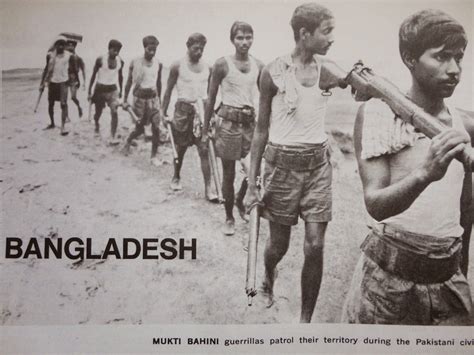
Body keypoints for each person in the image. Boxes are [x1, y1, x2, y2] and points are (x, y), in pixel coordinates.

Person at [342, 9, 474, 325]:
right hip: (387, 283)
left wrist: (461, 275)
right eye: (441, 57)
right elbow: (375, 204)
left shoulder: (464, 125)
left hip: (448, 279)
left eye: (459, 58)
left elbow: (465, 214)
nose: (454, 69)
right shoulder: (377, 115)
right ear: (409, 58)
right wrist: (425, 173)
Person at [245, 3, 337, 323]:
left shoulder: (328, 69)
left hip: (317, 167)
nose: (332, 38)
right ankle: (268, 275)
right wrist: (251, 184)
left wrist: (363, 83)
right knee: (278, 246)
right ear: (304, 33)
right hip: (281, 167)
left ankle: (305, 323)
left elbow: (358, 85)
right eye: (327, 31)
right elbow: (260, 130)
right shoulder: (272, 72)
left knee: (315, 246)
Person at [201, 21, 264, 235]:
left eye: (248, 37)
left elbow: (265, 99)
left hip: (249, 124)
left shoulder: (259, 66)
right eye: (240, 37)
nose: (244, 42)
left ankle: (239, 198)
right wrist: (204, 129)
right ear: (232, 40)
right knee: (228, 174)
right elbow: (210, 98)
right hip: (227, 124)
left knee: (254, 170)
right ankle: (229, 216)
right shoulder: (222, 64)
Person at [161, 33, 218, 201]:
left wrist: (211, 113)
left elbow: (210, 93)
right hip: (182, 110)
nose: (199, 52)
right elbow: (168, 90)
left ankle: (209, 188)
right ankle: (176, 176)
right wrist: (163, 112)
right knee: (181, 148)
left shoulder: (208, 67)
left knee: (204, 149)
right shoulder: (177, 66)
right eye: (196, 48)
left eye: (202, 49)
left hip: (201, 112)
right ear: (188, 46)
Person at [122, 35, 163, 166]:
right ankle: (128, 140)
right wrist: (124, 99)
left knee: (156, 128)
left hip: (153, 99)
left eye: (154, 50)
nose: (151, 52)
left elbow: (159, 83)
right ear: (144, 48)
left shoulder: (158, 63)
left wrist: (160, 101)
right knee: (140, 129)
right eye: (149, 49)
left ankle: (154, 156)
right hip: (140, 100)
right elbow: (129, 81)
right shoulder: (136, 62)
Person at [88, 39, 124, 144]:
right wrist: (89, 90)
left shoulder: (120, 61)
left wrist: (121, 89)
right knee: (98, 112)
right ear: (109, 49)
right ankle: (96, 124)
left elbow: (121, 76)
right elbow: (94, 75)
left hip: (113, 90)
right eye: (114, 50)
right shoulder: (100, 59)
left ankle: (112, 136)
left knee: (114, 111)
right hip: (100, 89)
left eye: (118, 51)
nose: (116, 52)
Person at [39, 36, 76, 135]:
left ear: (65, 45)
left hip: (63, 83)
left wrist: (73, 82)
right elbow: (46, 69)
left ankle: (63, 127)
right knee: (50, 104)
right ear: (55, 45)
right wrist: (42, 83)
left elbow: (73, 70)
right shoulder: (50, 56)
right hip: (52, 83)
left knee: (63, 104)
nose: (61, 46)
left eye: (63, 44)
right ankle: (52, 123)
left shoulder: (69, 56)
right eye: (59, 44)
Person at [66, 39, 86, 118]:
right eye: (68, 45)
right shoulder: (65, 57)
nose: (69, 47)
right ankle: (66, 116)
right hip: (64, 78)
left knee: (73, 97)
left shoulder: (78, 58)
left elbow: (83, 70)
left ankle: (79, 107)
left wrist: (84, 82)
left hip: (74, 78)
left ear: (74, 47)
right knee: (64, 99)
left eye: (71, 45)